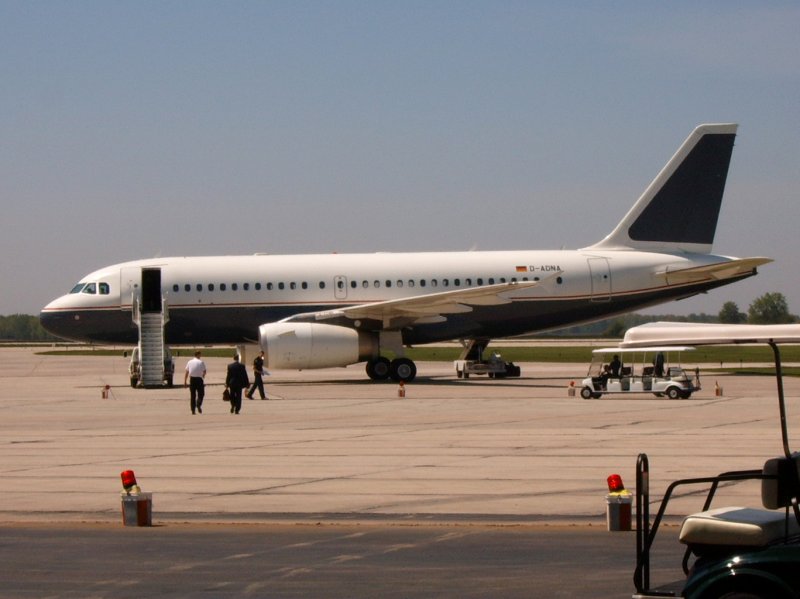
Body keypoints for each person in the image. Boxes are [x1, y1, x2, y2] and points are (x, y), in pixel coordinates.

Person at [184, 351, 207, 415]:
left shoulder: (189, 362)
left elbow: (186, 372)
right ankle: (198, 404)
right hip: (199, 380)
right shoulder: (201, 362)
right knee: (201, 394)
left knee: (192, 396)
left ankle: (193, 410)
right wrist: (203, 375)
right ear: (198, 355)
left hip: (192, 379)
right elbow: (204, 371)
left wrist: (185, 381)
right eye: (200, 354)